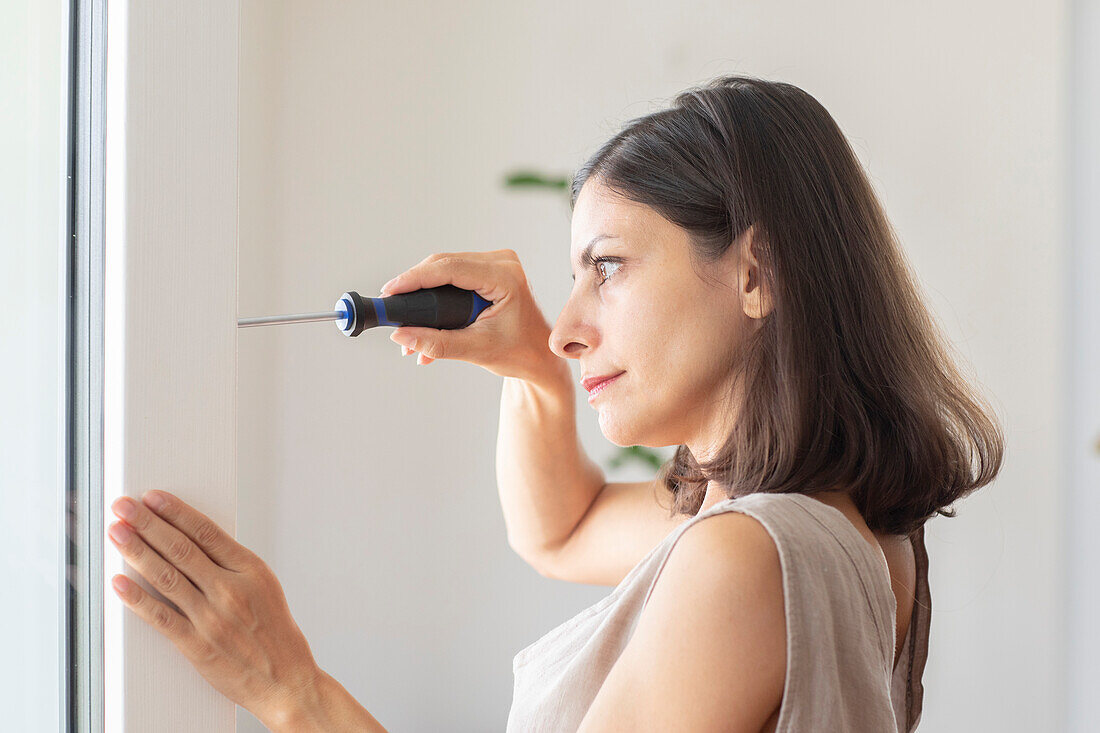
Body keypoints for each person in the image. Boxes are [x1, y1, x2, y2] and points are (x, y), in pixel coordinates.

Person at [106, 74, 1004, 732]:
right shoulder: (849, 536)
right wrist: (533, 373)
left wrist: (287, 687)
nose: (568, 327)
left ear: (755, 272)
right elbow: (561, 531)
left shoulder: (745, 559)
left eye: (607, 267)